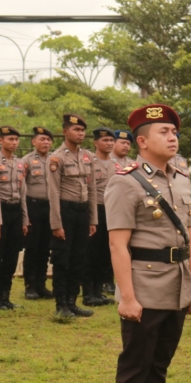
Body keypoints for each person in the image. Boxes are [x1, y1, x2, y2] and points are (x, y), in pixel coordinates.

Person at [106, 103, 191, 383]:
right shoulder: (125, 182)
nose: (172, 137)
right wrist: (128, 298)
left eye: (174, 131)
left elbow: (189, 236)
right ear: (142, 142)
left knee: (159, 366)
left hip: (178, 286)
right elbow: (118, 245)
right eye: (164, 131)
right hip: (144, 288)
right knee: (136, 368)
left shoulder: (181, 180)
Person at [47, 114, 97, 318]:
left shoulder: (87, 157)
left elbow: (91, 188)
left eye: (83, 130)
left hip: (82, 211)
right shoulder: (57, 158)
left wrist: (93, 219)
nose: (81, 133)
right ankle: (61, 305)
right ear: (65, 131)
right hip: (65, 211)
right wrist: (57, 223)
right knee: (62, 259)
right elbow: (53, 192)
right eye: (76, 130)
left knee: (79, 259)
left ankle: (72, 301)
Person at [0, 125, 28, 309]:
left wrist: (25, 219)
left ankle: (6, 295)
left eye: (16, 139)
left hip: (15, 211)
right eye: (10, 139)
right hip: (0, 210)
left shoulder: (19, 164)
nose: (14, 142)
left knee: (12, 255)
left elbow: (23, 193)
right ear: (0, 140)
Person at [83, 127, 116, 306]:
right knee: (91, 253)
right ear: (96, 143)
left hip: (111, 211)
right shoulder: (89, 163)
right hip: (94, 210)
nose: (109, 143)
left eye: (111, 140)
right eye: (105, 140)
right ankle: (88, 293)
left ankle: (98, 291)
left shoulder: (116, 165)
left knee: (105, 253)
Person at [21, 127, 55, 300]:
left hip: (50, 208)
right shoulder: (26, 161)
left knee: (45, 248)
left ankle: (42, 285)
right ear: (34, 142)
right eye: (42, 139)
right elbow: (21, 187)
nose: (46, 143)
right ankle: (30, 286)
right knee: (33, 248)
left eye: (48, 140)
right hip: (33, 206)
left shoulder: (55, 160)